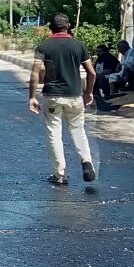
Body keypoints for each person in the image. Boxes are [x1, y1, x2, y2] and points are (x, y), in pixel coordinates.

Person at [29, 13, 98, 185]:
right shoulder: (78, 46)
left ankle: (60, 175)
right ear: (68, 26)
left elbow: (35, 73)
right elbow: (92, 73)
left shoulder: (43, 47)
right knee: (78, 129)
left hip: (52, 96)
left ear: (50, 28)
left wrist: (31, 96)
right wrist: (89, 92)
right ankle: (86, 160)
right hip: (75, 95)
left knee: (54, 133)